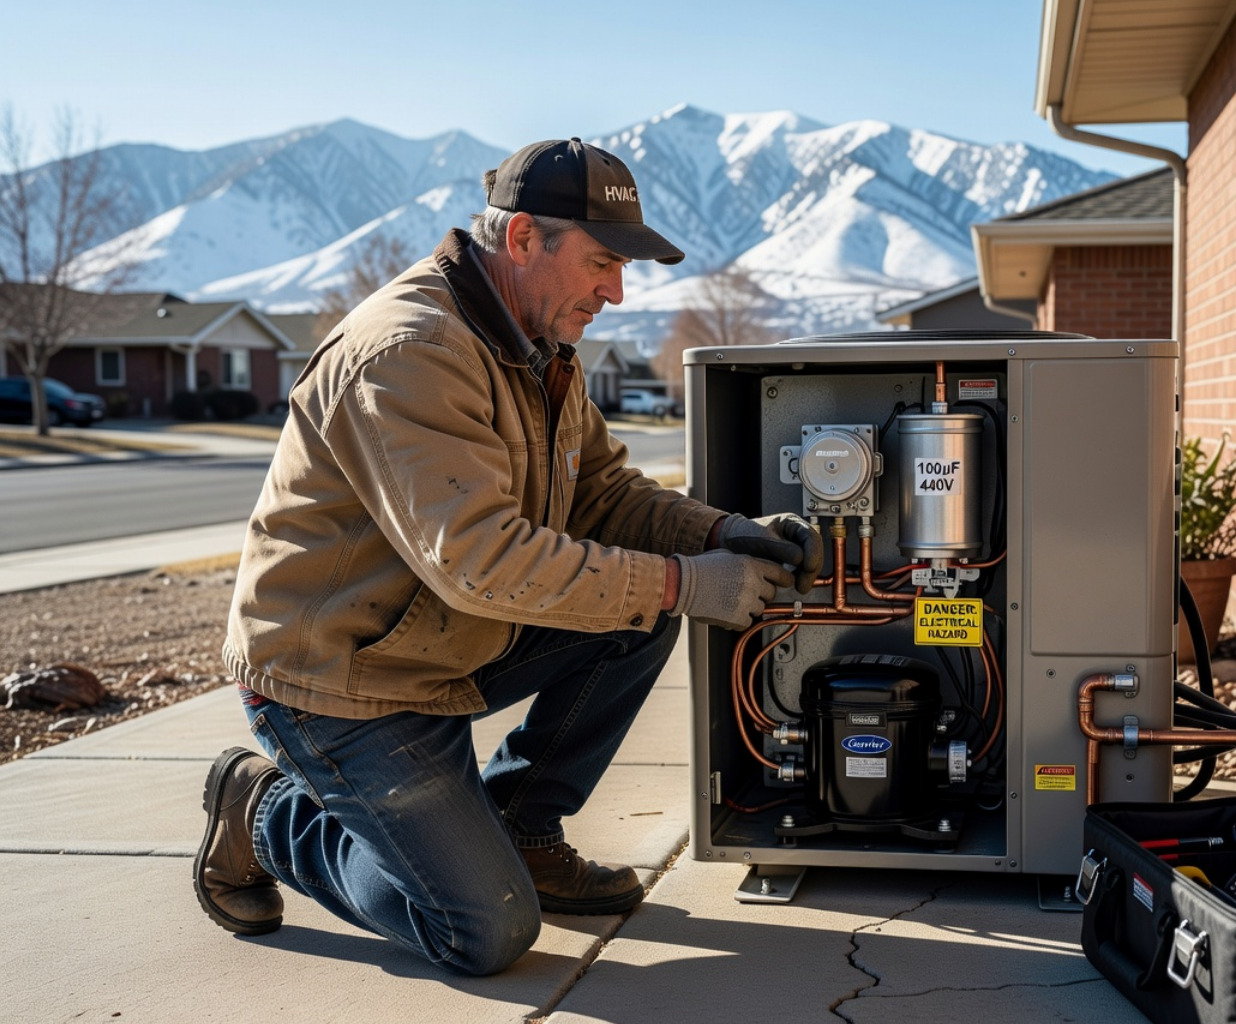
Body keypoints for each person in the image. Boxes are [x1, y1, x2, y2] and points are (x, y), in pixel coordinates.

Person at [194, 138, 821, 976]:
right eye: (603, 262)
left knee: (636, 622)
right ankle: (263, 813)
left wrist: (719, 534)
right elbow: (482, 562)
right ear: (524, 238)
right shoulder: (410, 352)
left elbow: (603, 493)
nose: (617, 290)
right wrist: (682, 583)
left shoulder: (535, 343)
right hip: (342, 681)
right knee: (484, 934)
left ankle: (521, 828)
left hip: (441, 643)